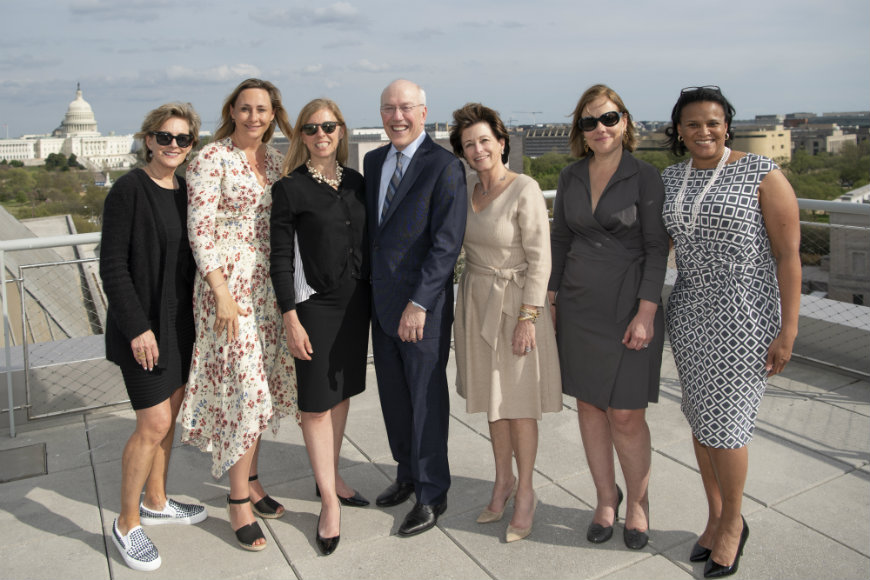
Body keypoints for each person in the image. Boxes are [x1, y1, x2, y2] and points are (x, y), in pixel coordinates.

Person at [661, 86, 800, 578]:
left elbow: (788, 256)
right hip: (690, 311)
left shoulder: (762, 172)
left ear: (727, 126)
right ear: (679, 129)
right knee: (701, 421)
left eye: (714, 122)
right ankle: (716, 515)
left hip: (744, 313)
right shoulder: (671, 176)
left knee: (729, 425)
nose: (704, 131)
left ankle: (734, 524)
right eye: (694, 123)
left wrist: (788, 330)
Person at [548, 84, 668, 551]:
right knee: (589, 407)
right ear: (580, 129)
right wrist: (551, 302)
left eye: (609, 119)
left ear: (625, 122)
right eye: (589, 122)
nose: (600, 129)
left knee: (625, 414)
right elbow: (560, 241)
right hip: (578, 305)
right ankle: (604, 497)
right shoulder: (571, 175)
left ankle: (637, 502)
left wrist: (646, 313)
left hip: (628, 305)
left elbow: (657, 248)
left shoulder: (645, 176)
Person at [181, 78, 298, 552]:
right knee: (244, 392)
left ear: (273, 115)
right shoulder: (211, 157)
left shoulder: (275, 160)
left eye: (262, 109)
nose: (253, 116)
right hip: (226, 287)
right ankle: (236, 502)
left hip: (266, 286)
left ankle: (251, 480)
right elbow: (199, 227)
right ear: (232, 110)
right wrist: (220, 290)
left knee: (262, 385)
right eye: (245, 108)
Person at [100, 102, 207, 571]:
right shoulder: (128, 190)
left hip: (180, 324)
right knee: (154, 426)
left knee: (171, 418)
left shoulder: (185, 190)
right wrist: (137, 327)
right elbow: (113, 267)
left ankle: (157, 500)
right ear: (148, 140)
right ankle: (127, 524)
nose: (173, 146)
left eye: (183, 140)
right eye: (165, 137)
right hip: (142, 328)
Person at [448, 103, 562, 543]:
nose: (478, 150)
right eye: (469, 144)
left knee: (518, 404)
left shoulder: (525, 188)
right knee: (494, 403)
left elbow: (540, 258)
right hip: (477, 302)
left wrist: (528, 318)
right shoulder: (469, 191)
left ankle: (527, 490)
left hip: (517, 305)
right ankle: (502, 482)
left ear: (501, 142)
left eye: (484, 141)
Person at [364, 79, 467, 536]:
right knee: (394, 397)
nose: (397, 116)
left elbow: (446, 246)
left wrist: (419, 304)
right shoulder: (373, 161)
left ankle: (431, 493)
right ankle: (406, 473)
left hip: (421, 310)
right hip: (381, 305)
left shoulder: (444, 167)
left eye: (406, 108)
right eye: (389, 108)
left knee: (426, 400)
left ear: (424, 113)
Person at [270, 98, 370, 556]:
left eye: (328, 126)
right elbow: (280, 257)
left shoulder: (357, 183)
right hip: (314, 307)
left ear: (341, 130)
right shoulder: (289, 189)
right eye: (311, 129)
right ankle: (329, 501)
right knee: (313, 404)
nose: (321, 134)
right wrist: (289, 315)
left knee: (340, 392)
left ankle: (329, 475)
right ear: (301, 137)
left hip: (356, 304)